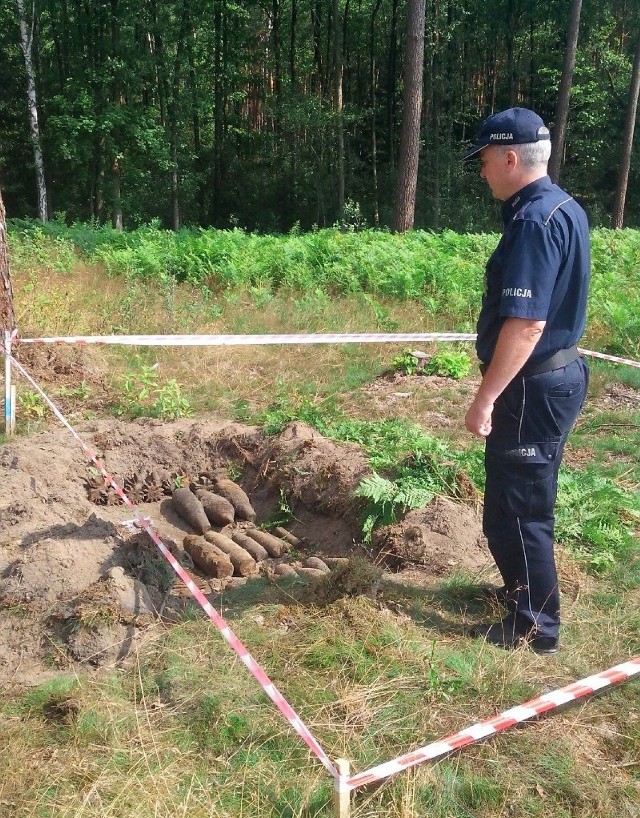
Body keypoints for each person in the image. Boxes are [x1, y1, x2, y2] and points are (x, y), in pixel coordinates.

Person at [462, 107, 590, 654]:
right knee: (518, 501)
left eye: (486, 160)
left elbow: (528, 321)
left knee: (518, 508)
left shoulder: (533, 222)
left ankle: (535, 627)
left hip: (530, 387)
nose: (483, 170)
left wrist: (486, 397)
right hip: (555, 378)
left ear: (511, 157)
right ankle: (523, 594)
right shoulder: (563, 208)